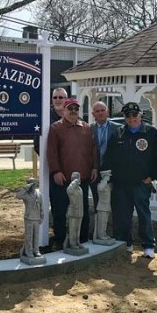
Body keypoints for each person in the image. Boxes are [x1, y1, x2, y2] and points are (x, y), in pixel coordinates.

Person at [103, 102, 157, 259]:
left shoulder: (151, 133)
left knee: (143, 214)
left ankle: (148, 246)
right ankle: (125, 243)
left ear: (140, 115)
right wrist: (108, 178)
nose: (131, 118)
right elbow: (109, 159)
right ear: (124, 118)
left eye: (134, 115)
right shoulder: (118, 134)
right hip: (120, 184)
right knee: (121, 216)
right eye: (128, 116)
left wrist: (152, 177)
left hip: (141, 183)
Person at [46, 98, 98, 249]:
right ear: (64, 110)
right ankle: (59, 239)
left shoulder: (87, 128)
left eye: (76, 108)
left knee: (83, 211)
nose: (73, 111)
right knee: (60, 210)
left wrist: (95, 167)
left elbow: (94, 150)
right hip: (63, 178)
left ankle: (82, 238)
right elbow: (52, 152)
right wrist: (56, 171)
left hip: (83, 178)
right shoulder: (55, 128)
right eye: (70, 108)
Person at [90, 101, 121, 211]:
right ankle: (99, 225)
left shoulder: (119, 129)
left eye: (103, 110)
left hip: (113, 171)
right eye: (97, 111)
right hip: (95, 171)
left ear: (107, 112)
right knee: (97, 202)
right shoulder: (88, 130)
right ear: (93, 114)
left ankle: (113, 225)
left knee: (115, 201)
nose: (100, 113)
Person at [15, 178, 43, 261]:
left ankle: (36, 250)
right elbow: (18, 195)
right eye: (31, 184)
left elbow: (41, 205)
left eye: (34, 184)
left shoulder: (38, 193)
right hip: (29, 217)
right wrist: (26, 188)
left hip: (37, 217)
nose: (33, 186)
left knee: (36, 235)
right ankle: (28, 251)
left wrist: (42, 216)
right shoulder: (26, 194)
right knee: (29, 235)